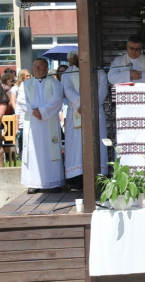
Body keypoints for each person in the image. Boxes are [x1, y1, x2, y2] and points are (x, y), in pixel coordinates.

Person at [62, 50, 109, 191]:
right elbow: (67, 90)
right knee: (76, 146)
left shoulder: (98, 72)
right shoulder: (68, 73)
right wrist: (80, 104)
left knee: (96, 141)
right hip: (76, 112)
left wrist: (89, 106)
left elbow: (102, 91)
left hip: (94, 111)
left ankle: (98, 177)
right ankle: (77, 180)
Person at [17, 58, 65, 194]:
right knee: (33, 151)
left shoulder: (55, 84)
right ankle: (33, 182)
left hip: (49, 123)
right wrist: (33, 111)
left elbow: (57, 100)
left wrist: (43, 111)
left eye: (40, 66)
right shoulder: (25, 85)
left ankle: (54, 182)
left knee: (51, 151)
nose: (37, 68)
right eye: (35, 66)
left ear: (46, 69)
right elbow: (21, 101)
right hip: (32, 124)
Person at [11, 69, 32, 160]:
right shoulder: (15, 88)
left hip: (29, 112)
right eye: (26, 76)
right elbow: (13, 102)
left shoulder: (31, 86)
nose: (29, 77)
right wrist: (19, 112)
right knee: (22, 139)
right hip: (20, 113)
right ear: (22, 76)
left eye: (29, 75)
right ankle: (22, 156)